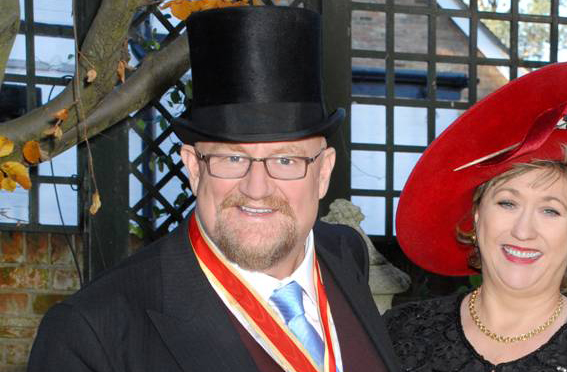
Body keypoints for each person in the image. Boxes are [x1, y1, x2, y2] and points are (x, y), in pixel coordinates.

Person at [28, 6, 399, 372]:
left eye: (286, 160)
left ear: (323, 173)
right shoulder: (91, 335)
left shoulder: (344, 254)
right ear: (193, 167)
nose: (257, 188)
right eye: (232, 159)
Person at [383, 61, 567, 371]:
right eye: (507, 203)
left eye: (550, 210)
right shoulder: (400, 335)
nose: (523, 230)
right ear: (477, 218)